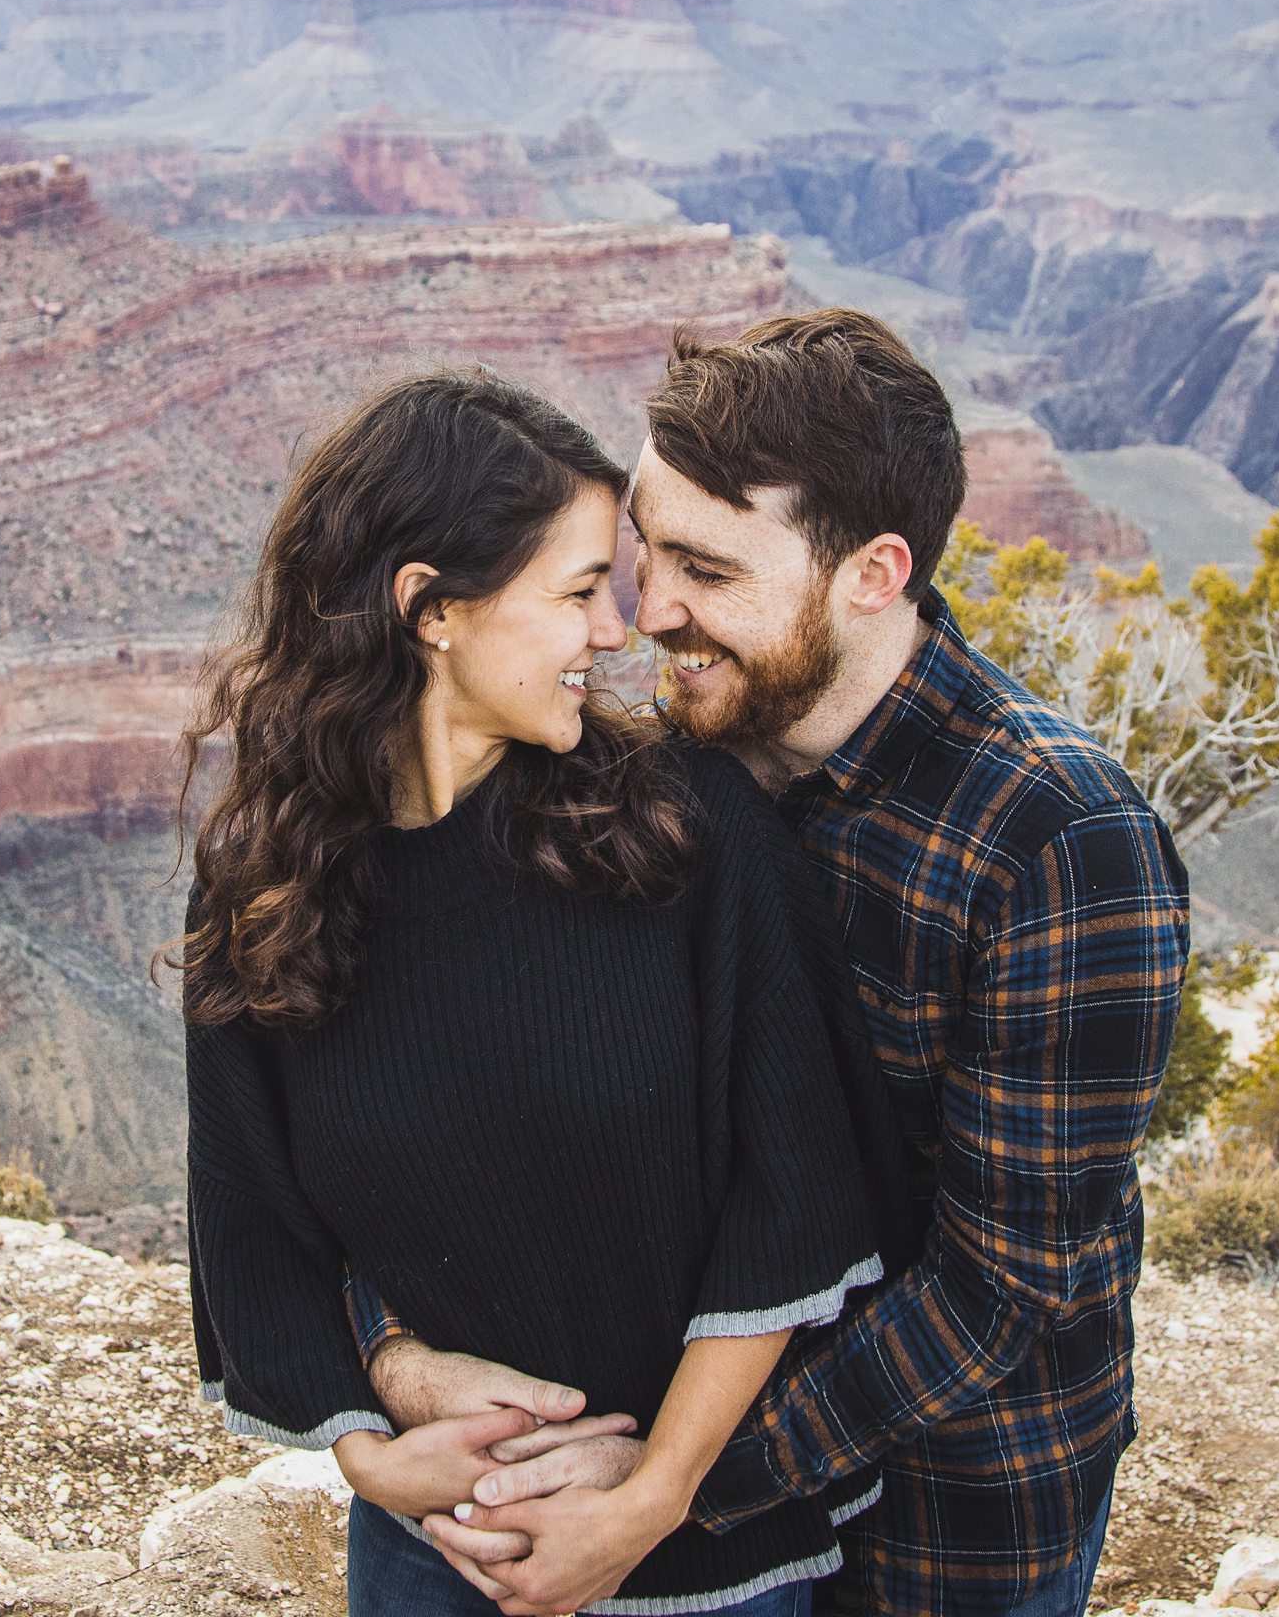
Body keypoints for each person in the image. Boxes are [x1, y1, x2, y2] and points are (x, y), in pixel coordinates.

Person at [374, 309, 1191, 1617]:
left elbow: (995, 1292)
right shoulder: (658, 774)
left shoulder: (1058, 846)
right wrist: (408, 1367)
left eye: (707, 567)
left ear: (875, 574)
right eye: (642, 548)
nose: (649, 613)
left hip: (942, 1528)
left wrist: (667, 1490)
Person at [177, 369, 908, 1616]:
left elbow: (796, 1196)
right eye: (578, 592)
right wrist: (379, 1445)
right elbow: (252, 1221)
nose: (619, 630)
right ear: (431, 610)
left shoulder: (687, 832)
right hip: (440, 1551)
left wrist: (653, 1494)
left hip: (710, 1568)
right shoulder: (268, 886)